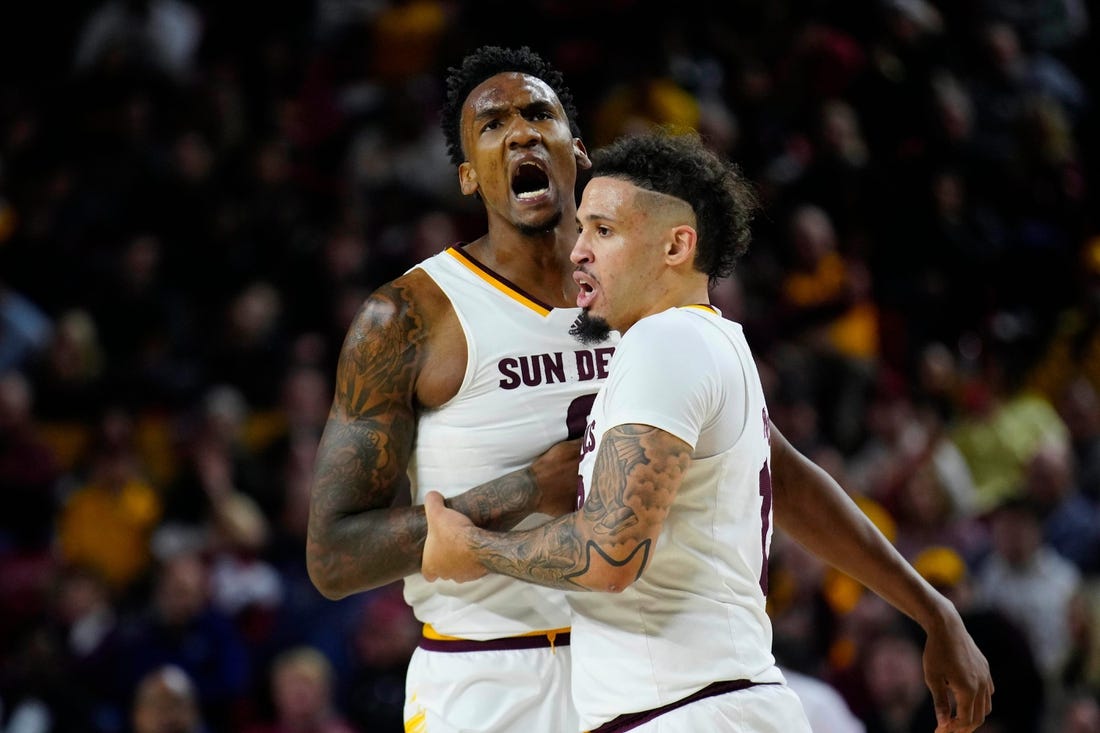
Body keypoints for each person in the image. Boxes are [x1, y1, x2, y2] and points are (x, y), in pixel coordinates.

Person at [421, 129, 993, 732]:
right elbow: (795, 487)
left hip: (687, 710)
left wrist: (474, 549)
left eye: (604, 231)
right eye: (582, 228)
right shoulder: (714, 343)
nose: (578, 251)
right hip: (715, 704)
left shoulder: (664, 343)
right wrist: (932, 611)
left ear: (676, 246)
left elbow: (610, 552)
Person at [306, 45, 616, 732]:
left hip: (646, 667)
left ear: (579, 148)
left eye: (540, 113)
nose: (522, 131)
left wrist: (918, 604)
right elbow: (333, 557)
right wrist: (526, 490)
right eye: (492, 124)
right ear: (469, 177)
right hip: (489, 676)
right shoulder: (409, 316)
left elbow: (775, 460)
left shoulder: (650, 295)